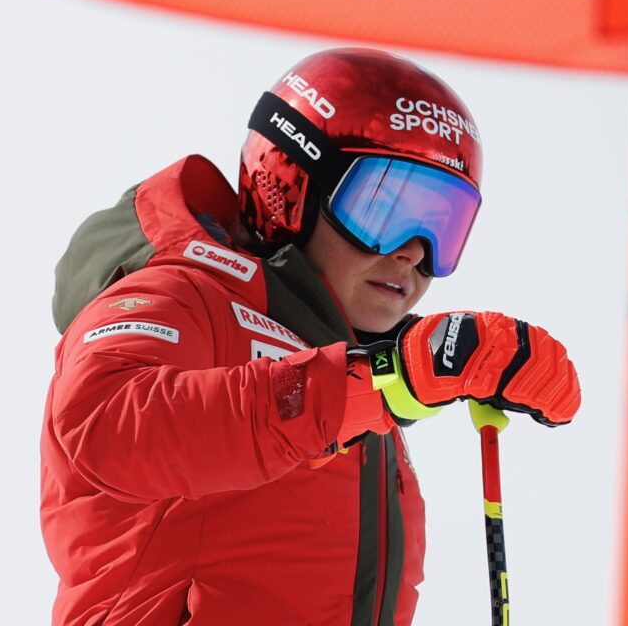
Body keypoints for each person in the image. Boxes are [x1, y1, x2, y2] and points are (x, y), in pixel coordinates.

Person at [41, 47, 582, 626]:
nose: (413, 251)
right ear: (291, 188)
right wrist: (389, 379)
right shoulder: (184, 295)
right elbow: (105, 422)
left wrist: (401, 375)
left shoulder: (346, 384)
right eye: (383, 209)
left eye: (442, 225)